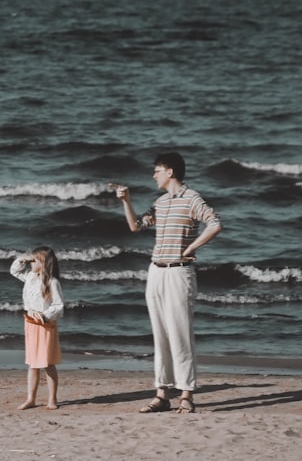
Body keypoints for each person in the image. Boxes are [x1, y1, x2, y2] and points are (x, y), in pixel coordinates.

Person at [113, 152, 222, 414]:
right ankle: (162, 393)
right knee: (160, 334)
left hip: (179, 271)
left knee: (180, 333)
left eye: (157, 170)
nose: (154, 175)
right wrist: (126, 201)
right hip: (156, 270)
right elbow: (136, 226)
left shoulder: (191, 198)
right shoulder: (160, 203)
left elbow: (215, 224)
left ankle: (187, 394)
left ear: (170, 171)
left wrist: (192, 247)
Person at [10, 245, 64, 410]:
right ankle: (31, 398)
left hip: (45, 325)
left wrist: (45, 315)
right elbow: (15, 271)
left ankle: (52, 399)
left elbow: (59, 305)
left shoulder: (52, 282)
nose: (30, 263)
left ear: (43, 262)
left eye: (34, 260)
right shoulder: (31, 277)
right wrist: (23, 259)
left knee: (47, 363)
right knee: (33, 363)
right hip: (30, 324)